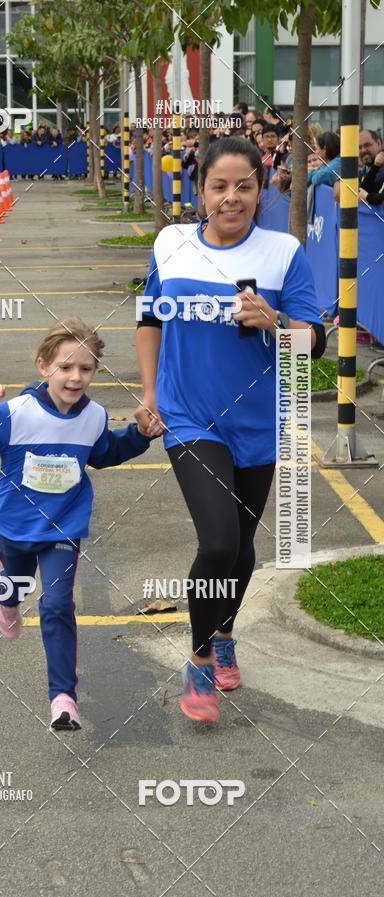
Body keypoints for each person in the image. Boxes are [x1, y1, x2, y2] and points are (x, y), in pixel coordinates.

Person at [134, 136, 325, 723]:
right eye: (219, 185)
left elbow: (311, 346)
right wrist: (148, 395)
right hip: (190, 416)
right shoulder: (171, 244)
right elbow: (148, 320)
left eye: (244, 185)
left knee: (240, 546)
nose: (231, 197)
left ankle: (224, 634)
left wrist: (275, 323)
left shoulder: (283, 252)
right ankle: (197, 661)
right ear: (201, 192)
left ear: (261, 189)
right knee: (217, 540)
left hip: (261, 423)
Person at [0, 318, 154, 730]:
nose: (75, 376)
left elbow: (105, 452)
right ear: (44, 366)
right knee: (15, 582)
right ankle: (6, 601)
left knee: (57, 604)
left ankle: (62, 698)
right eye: (66, 367)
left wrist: (140, 435)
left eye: (86, 368)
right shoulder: (13, 413)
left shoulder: (94, 416)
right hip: (14, 526)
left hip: (63, 528)